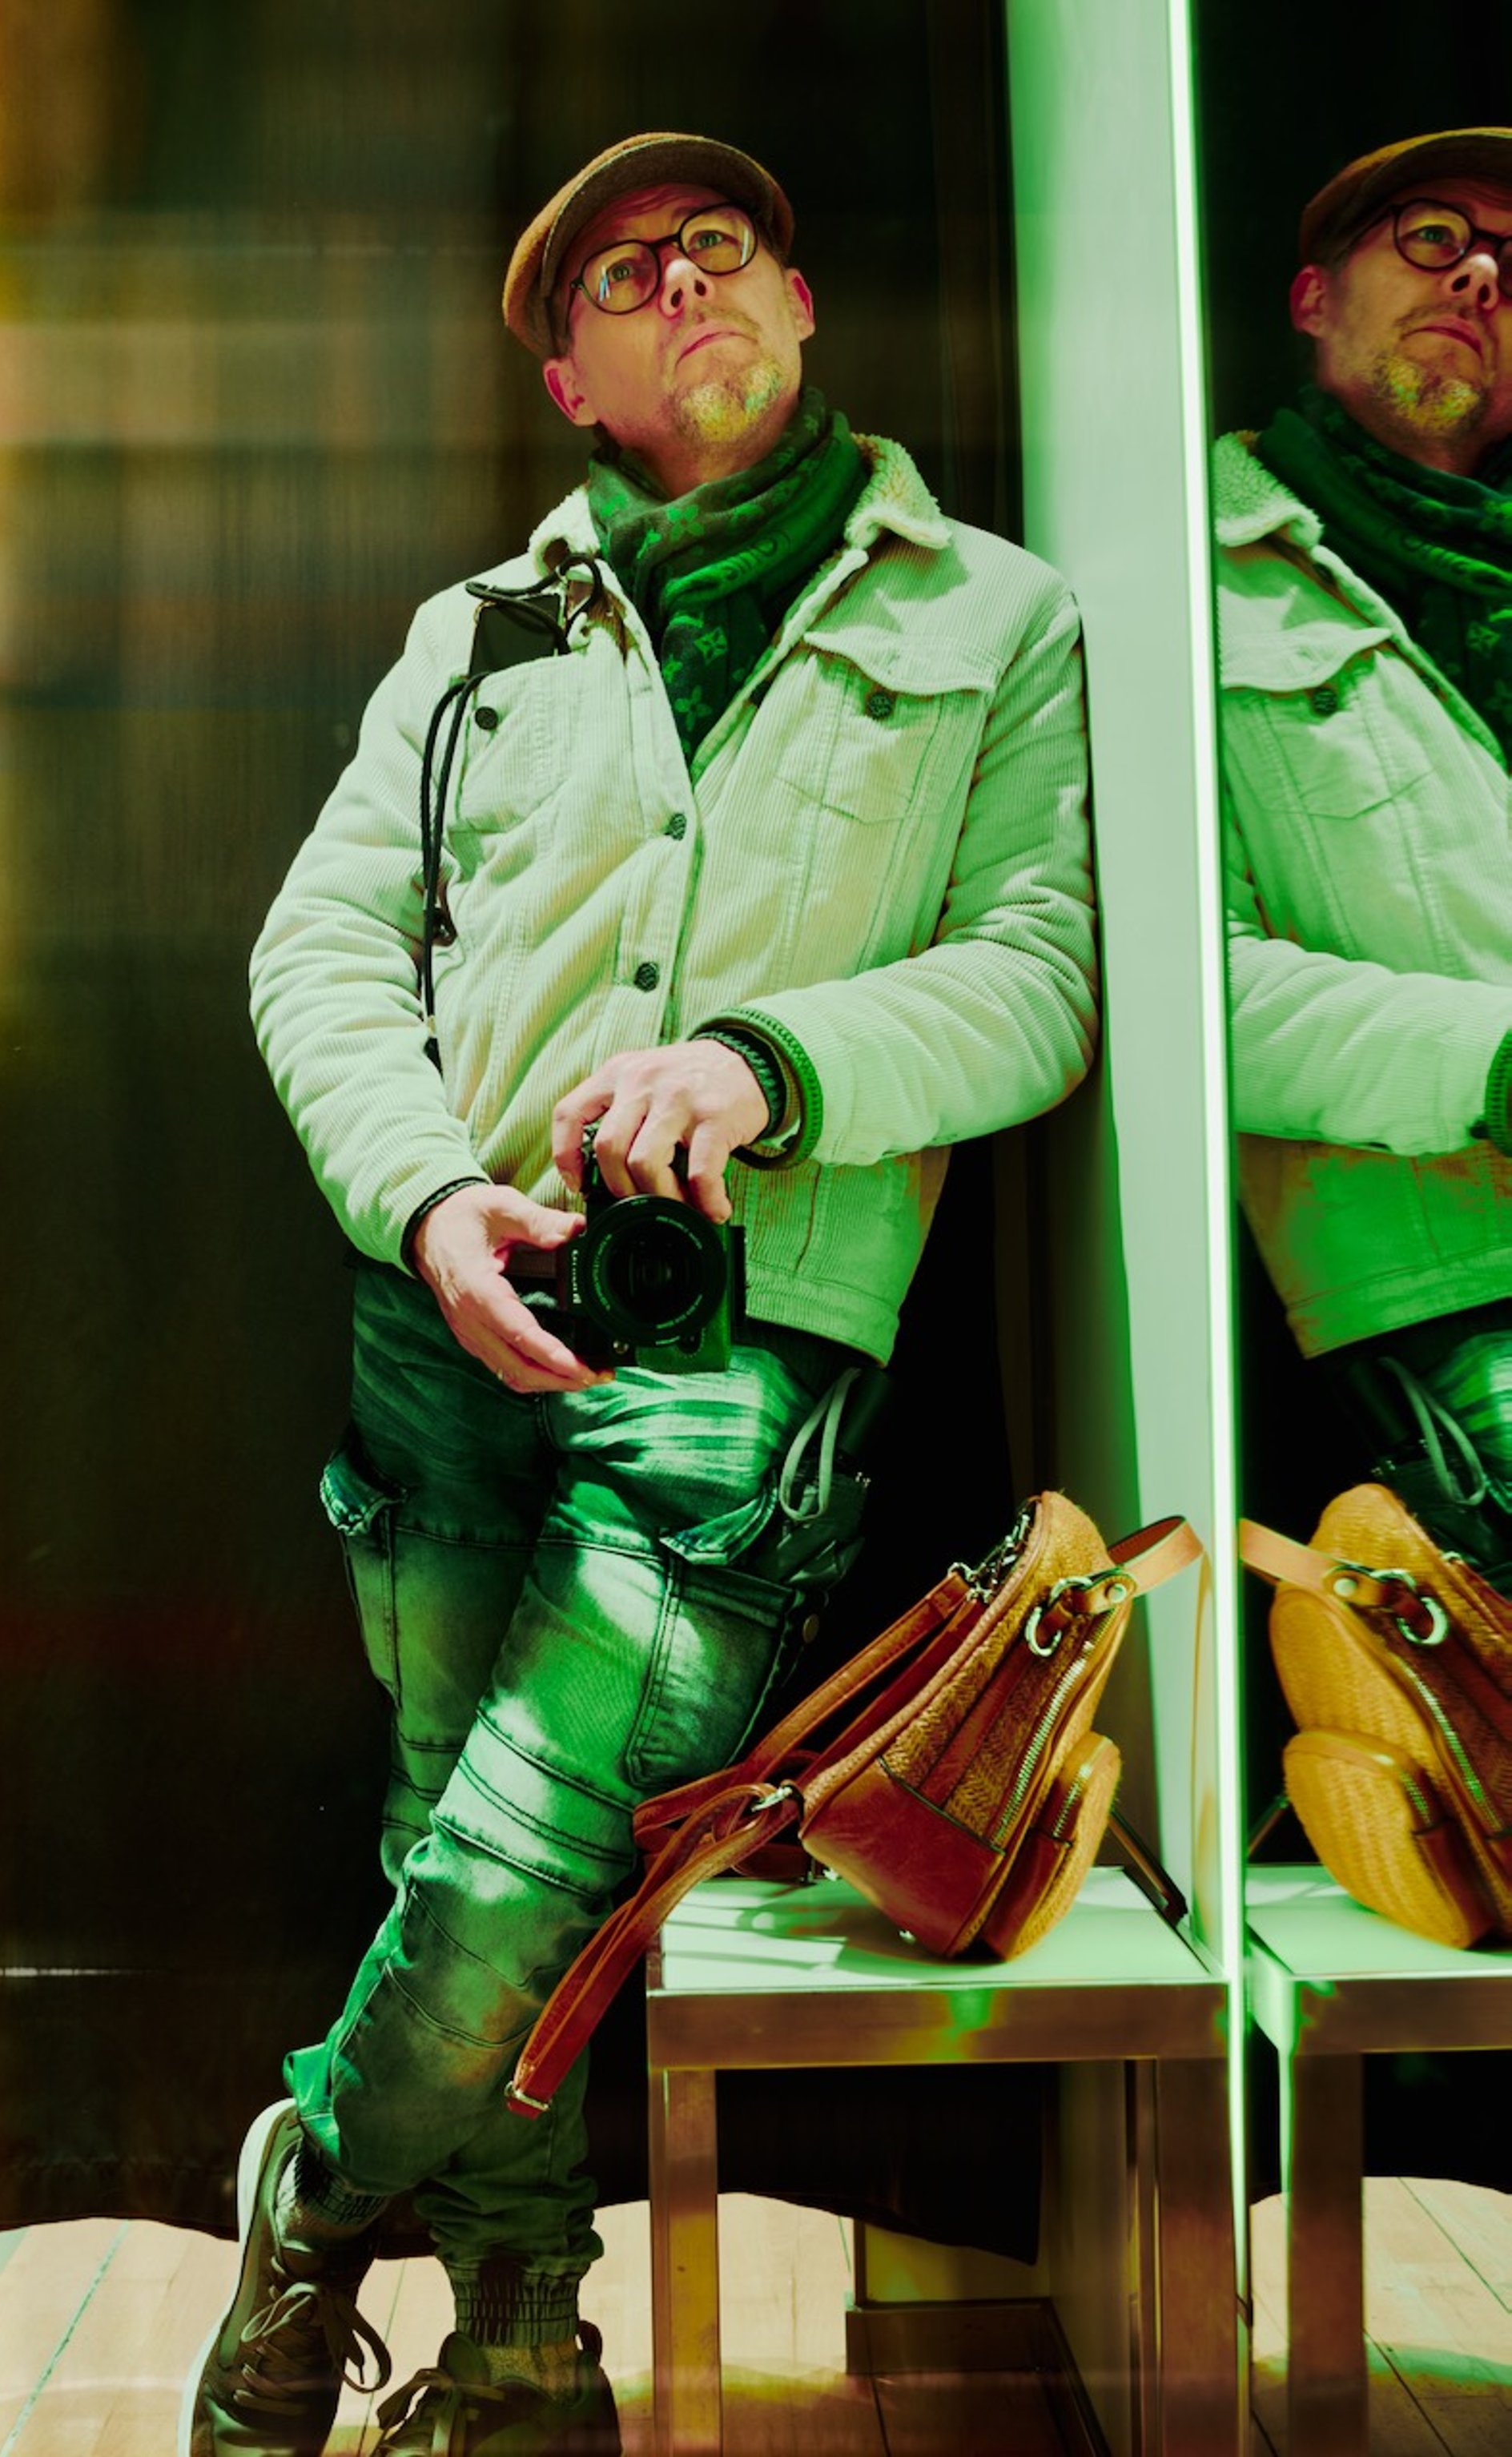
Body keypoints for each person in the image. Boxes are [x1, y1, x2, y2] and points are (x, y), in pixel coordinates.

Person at [183, 130, 1096, 2457]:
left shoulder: (997, 616)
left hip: (750, 1329)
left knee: (519, 1846)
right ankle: (517, 2369)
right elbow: (319, 949)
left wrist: (771, 1064)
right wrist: (418, 1199)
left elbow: (1045, 975)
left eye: (725, 244)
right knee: (445, 1831)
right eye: (621, 268)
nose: (680, 276)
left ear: (801, 306)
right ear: (574, 379)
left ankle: (312, 2186)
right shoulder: (470, 634)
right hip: (449, 1304)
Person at [1214, 127, 1512, 1591]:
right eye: (1431, 234)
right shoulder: (1193, 572)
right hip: (1448, 1273)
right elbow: (1181, 990)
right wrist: (1492, 1063)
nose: (1481, 273)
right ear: (1313, 295)